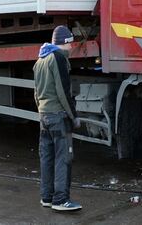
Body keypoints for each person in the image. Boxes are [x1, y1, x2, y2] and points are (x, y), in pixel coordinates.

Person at [34, 25, 82, 212]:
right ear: (65, 43)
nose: (71, 47)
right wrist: (74, 116)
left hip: (44, 116)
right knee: (64, 158)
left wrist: (42, 110)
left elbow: (36, 91)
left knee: (47, 157)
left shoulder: (41, 60)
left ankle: (47, 197)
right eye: (70, 43)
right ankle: (61, 200)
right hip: (58, 116)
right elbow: (63, 91)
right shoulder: (59, 58)